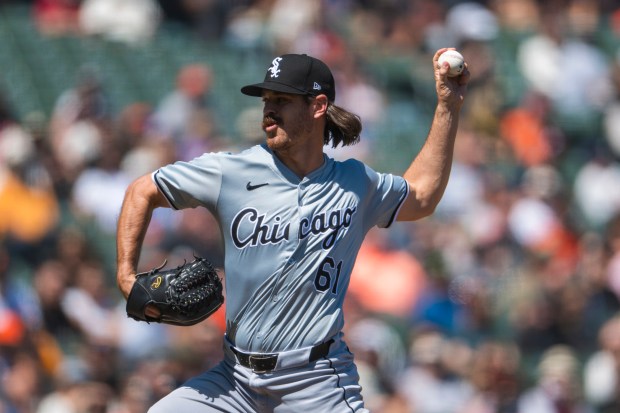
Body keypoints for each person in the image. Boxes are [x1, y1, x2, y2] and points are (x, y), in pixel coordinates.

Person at [116, 49, 469, 412]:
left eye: (281, 100)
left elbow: (422, 196)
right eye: (266, 100)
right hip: (234, 379)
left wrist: (447, 106)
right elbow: (142, 191)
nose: (268, 110)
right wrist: (126, 276)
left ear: (317, 106)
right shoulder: (232, 171)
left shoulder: (355, 183)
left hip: (315, 382)